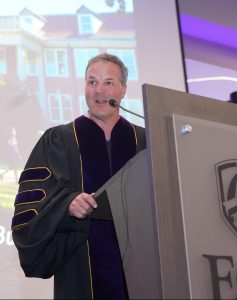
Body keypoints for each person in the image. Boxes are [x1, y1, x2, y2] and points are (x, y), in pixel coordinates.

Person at [11, 53, 146, 299]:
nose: (99, 91)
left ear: (123, 90)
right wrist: (66, 205)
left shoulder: (145, 141)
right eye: (92, 82)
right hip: (80, 271)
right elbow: (29, 206)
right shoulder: (59, 140)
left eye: (108, 82)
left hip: (141, 271)